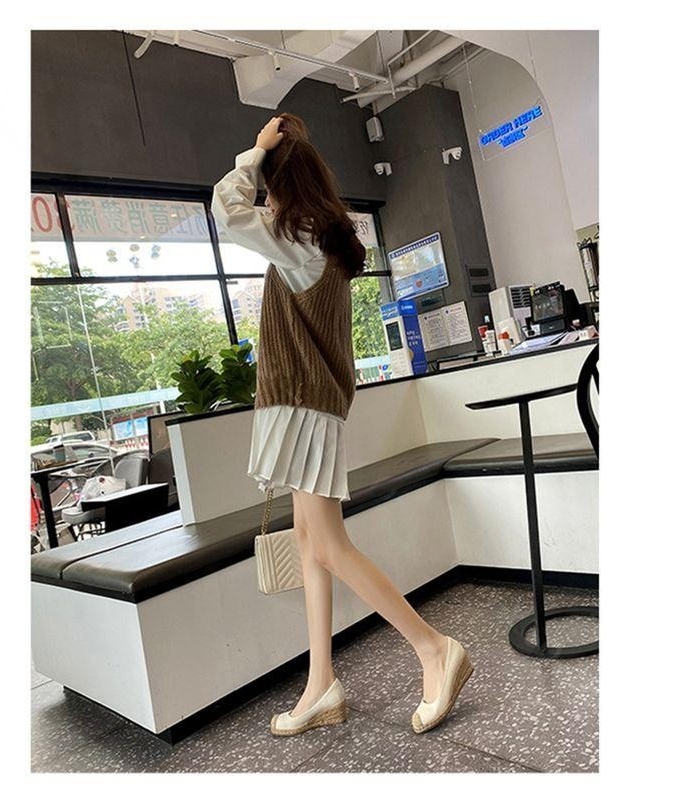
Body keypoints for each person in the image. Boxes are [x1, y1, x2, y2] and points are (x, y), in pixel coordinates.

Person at [211, 113, 473, 737]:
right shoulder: (324, 239)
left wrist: (253, 152)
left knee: (327, 545)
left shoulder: (296, 236)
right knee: (310, 544)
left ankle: (433, 648)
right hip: (312, 406)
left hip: (300, 406)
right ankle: (320, 683)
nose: (265, 200)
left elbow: (225, 209)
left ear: (280, 186)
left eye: (269, 188)